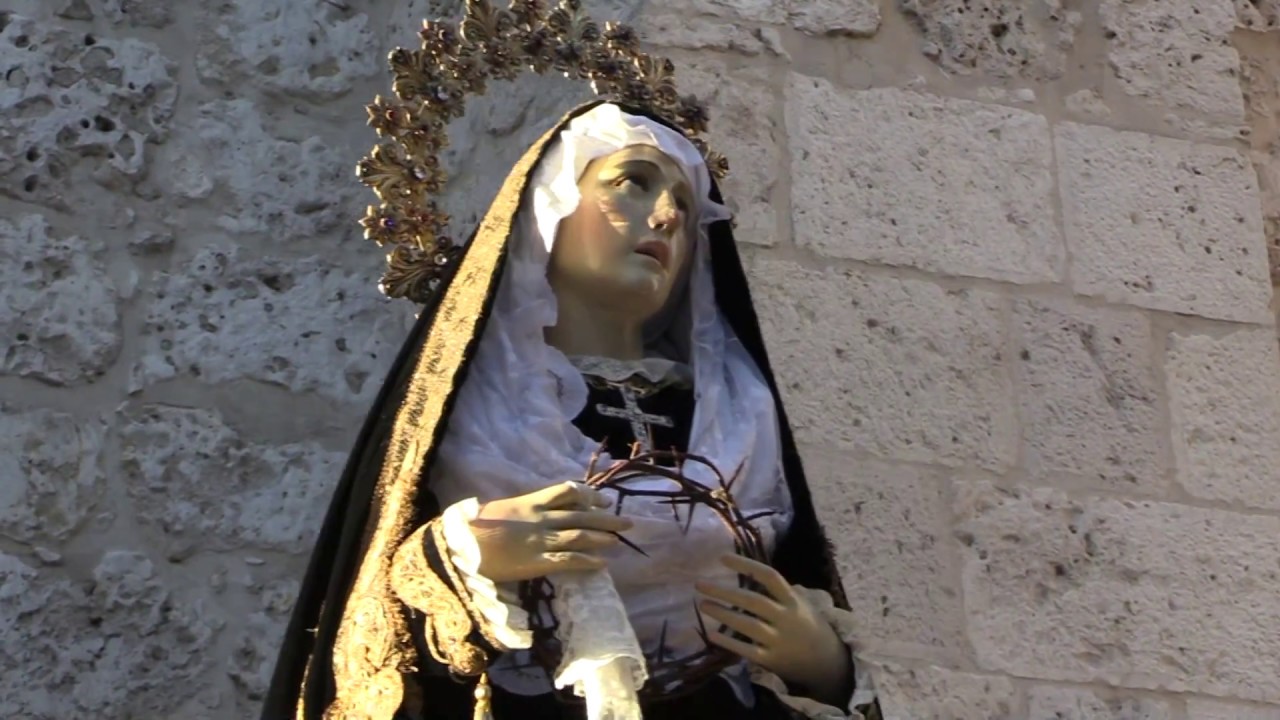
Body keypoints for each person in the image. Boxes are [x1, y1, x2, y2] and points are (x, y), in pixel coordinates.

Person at [262, 100, 881, 720]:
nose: (667, 216)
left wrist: (824, 665)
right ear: (549, 207)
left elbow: (791, 593)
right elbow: (364, 643)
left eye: (685, 206)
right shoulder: (460, 414)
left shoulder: (743, 417)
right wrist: (463, 556)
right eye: (632, 183)